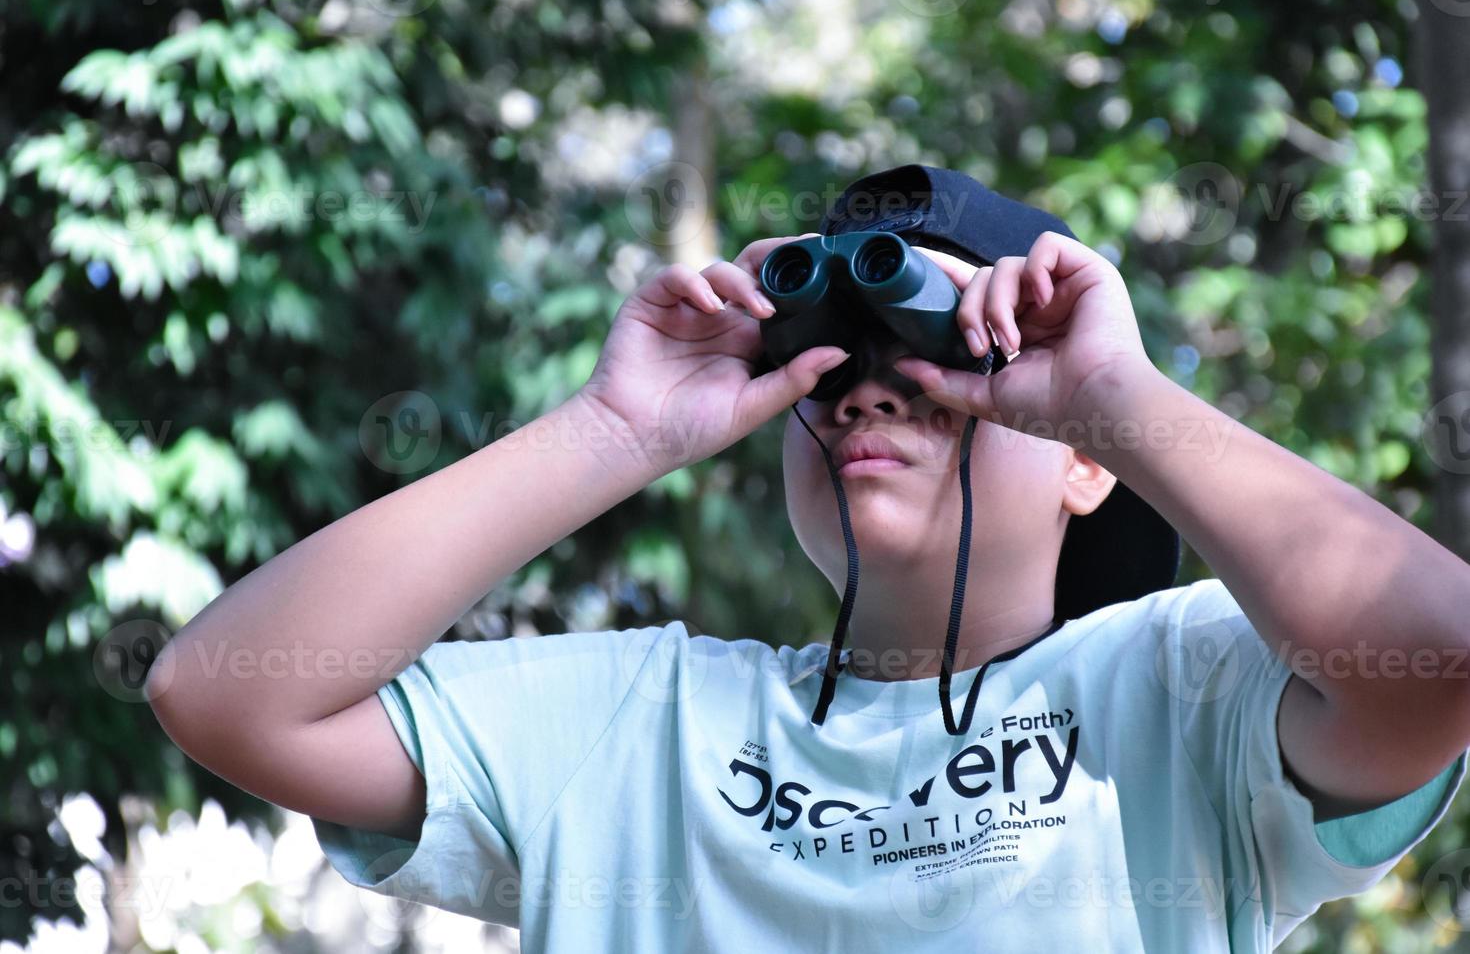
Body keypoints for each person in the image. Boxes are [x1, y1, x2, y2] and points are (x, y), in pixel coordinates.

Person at [147, 165, 1470, 952]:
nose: (865, 394)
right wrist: (611, 429)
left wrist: (1118, 395)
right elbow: (224, 691)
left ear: (1083, 458)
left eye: (945, 359)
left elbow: (1440, 654)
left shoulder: (1177, 697)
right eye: (824, 366)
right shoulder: (628, 726)